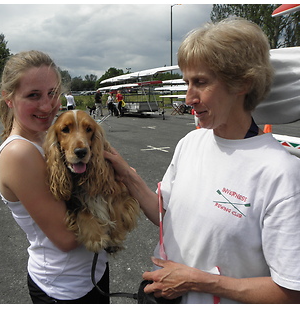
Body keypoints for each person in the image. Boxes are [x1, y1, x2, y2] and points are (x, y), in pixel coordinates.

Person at [104, 18, 300, 303]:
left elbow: (291, 292)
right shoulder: (190, 143)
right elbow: (167, 217)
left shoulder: (281, 173)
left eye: (201, 82)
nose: (189, 97)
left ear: (243, 83)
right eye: (187, 82)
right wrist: (127, 175)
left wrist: (198, 281)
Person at [0, 50, 109, 304]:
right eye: (33, 95)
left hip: (93, 271)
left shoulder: (46, 136)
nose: (47, 106)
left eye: (52, 93)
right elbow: (67, 239)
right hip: (63, 288)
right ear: (9, 98)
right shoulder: (19, 153)